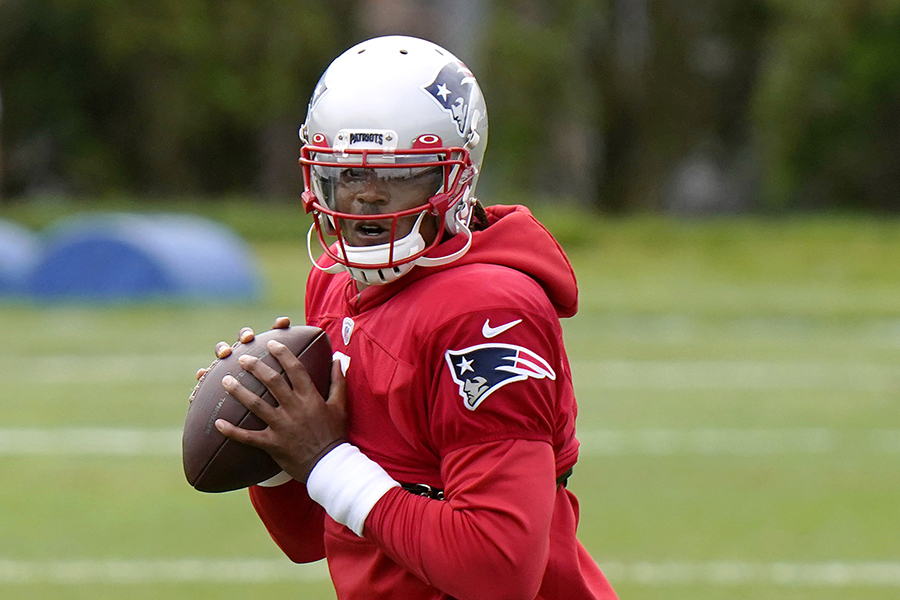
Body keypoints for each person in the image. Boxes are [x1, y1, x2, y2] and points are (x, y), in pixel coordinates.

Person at [205, 35, 618, 599]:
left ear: (457, 176)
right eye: (347, 173)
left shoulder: (486, 312)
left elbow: (498, 571)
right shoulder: (332, 279)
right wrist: (275, 437)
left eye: (401, 174)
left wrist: (325, 459)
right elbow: (313, 536)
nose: (368, 197)